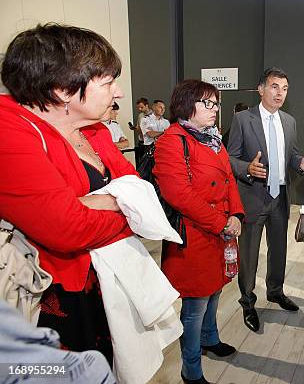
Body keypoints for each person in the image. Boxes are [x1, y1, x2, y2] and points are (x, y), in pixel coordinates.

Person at [0, 23, 138, 365]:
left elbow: (142, 191)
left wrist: (95, 204)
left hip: (106, 283)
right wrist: (125, 206)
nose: (118, 93)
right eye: (107, 83)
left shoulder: (94, 130)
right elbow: (68, 228)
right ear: (63, 91)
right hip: (53, 296)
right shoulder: (9, 130)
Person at [153, 80, 244, 384]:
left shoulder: (212, 139)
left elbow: (229, 179)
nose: (215, 109)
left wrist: (236, 214)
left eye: (216, 104)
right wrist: (221, 222)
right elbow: (178, 194)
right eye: (208, 103)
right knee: (194, 305)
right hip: (193, 234)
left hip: (218, 231)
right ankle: (190, 369)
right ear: (187, 104)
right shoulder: (172, 140)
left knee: (215, 290)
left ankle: (210, 339)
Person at [227, 67, 304, 332]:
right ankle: (247, 301)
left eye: (285, 88)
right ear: (261, 89)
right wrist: (247, 169)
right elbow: (231, 158)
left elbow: (291, 156)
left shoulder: (288, 121)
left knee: (279, 249)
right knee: (249, 253)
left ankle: (275, 291)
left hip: (280, 197)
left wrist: (300, 163)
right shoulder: (243, 119)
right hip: (253, 196)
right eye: (275, 87)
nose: (280, 93)